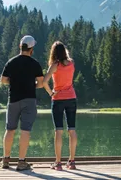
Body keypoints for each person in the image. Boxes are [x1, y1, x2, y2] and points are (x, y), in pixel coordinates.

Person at [0, 35, 44, 171]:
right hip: (29, 100)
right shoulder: (35, 64)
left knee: (10, 129)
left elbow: (3, 80)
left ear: (20, 47)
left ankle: (6, 160)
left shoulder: (11, 62)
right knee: (25, 130)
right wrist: (33, 85)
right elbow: (41, 83)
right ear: (31, 49)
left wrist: (13, 82)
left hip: (13, 100)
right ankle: (21, 162)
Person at [43, 41, 78, 171]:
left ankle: (58, 164)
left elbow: (44, 81)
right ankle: (72, 162)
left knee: (58, 130)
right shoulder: (71, 63)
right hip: (71, 98)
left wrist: (50, 92)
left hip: (58, 99)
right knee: (72, 130)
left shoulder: (54, 65)